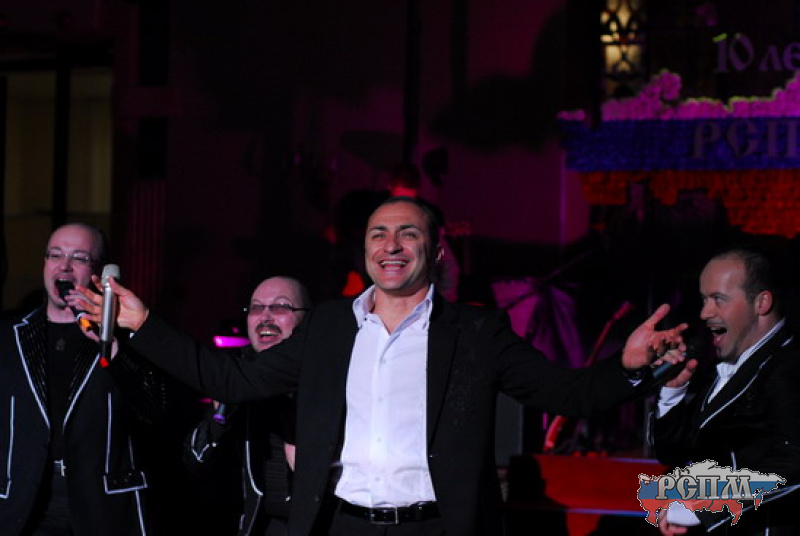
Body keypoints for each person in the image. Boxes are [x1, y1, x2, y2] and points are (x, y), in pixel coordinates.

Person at [77, 197, 686, 536]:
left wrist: (629, 367)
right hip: (342, 526)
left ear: (435, 251)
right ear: (365, 249)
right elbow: (232, 379)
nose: (390, 245)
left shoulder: (476, 333)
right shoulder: (327, 327)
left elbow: (567, 394)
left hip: (436, 528)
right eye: (378, 234)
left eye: (407, 234)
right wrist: (143, 324)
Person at [0, 223, 166, 535]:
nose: (64, 266)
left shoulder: (125, 337)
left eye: (79, 257)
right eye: (55, 255)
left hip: (101, 507)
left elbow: (155, 410)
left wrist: (110, 342)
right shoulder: (10, 336)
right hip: (24, 503)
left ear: (100, 273)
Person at [653, 245, 800, 535]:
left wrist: (706, 505)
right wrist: (672, 393)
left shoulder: (789, 368)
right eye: (704, 300)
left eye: (718, 299)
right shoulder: (722, 367)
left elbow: (794, 461)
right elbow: (674, 453)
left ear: (761, 303)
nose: (705, 313)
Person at [185, 276, 309, 536]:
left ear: (306, 319)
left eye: (281, 307)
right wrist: (219, 418)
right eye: (256, 308)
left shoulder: (326, 378)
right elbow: (195, 464)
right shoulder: (235, 377)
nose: (265, 317)